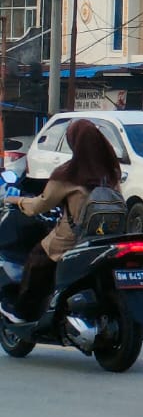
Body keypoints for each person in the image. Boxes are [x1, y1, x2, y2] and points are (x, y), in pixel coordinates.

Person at [0, 119, 121, 323]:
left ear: (74, 143)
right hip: (108, 236)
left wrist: (16, 200)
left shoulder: (69, 173)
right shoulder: (111, 171)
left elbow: (40, 205)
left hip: (72, 238)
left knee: (37, 258)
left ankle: (23, 313)